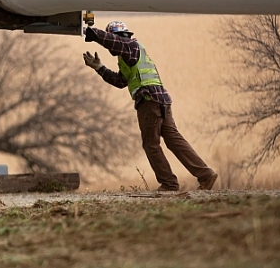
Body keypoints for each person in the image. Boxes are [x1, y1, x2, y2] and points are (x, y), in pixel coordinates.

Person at [83, 20, 218, 191]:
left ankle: (169, 183)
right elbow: (120, 81)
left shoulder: (130, 46)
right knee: (174, 140)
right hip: (162, 101)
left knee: (151, 144)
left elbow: (112, 41)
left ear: (119, 37)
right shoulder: (129, 56)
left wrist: (91, 32)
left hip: (148, 102)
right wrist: (99, 67)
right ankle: (205, 175)